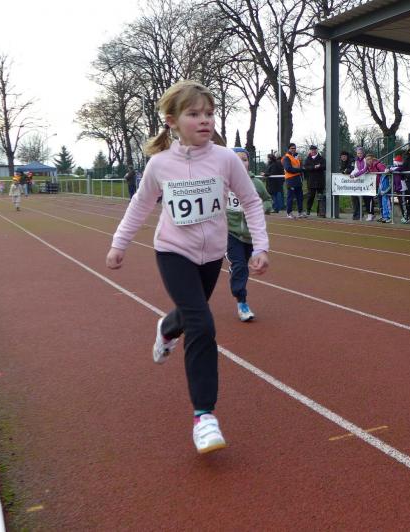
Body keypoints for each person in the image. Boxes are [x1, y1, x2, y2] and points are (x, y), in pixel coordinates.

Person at [106, 80, 270, 454]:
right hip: (173, 252)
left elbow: (250, 201)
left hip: (212, 256)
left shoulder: (226, 159)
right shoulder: (160, 164)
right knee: (202, 324)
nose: (205, 120)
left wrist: (261, 245)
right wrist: (119, 244)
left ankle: (167, 328)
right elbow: (140, 205)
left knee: (190, 314)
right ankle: (204, 417)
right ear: (172, 121)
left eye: (209, 113)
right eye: (194, 114)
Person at [226, 147, 272, 322]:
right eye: (236, 159)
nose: (241, 163)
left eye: (244, 159)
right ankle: (242, 302)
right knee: (240, 266)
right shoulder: (223, 182)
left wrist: (263, 208)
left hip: (251, 236)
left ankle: (235, 270)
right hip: (231, 233)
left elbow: (267, 199)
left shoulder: (256, 184)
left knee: (244, 265)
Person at [350, 146, 375, 220]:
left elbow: (364, 170)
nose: (359, 154)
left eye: (360, 153)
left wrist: (355, 175)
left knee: (368, 198)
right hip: (361, 182)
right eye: (358, 153)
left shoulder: (365, 159)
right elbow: (356, 169)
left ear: (363, 153)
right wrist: (352, 174)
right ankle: (368, 214)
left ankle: (371, 214)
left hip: (368, 181)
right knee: (364, 198)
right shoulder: (356, 160)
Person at [282, 142, 305, 219]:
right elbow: (288, 168)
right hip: (290, 179)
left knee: (300, 197)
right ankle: (289, 212)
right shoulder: (286, 157)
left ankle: (300, 212)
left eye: (294, 148)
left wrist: (301, 168)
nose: (293, 149)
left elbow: (299, 166)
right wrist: (299, 170)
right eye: (292, 148)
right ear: (289, 149)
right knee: (290, 197)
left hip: (298, 179)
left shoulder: (296, 157)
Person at [302, 145, 326, 217]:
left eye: (314, 150)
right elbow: (306, 167)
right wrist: (314, 167)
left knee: (320, 197)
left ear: (316, 150)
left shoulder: (321, 158)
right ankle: (308, 210)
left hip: (320, 181)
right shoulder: (307, 159)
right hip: (311, 181)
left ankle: (320, 212)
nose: (313, 151)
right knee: (310, 197)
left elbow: (325, 166)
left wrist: (319, 166)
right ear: (310, 151)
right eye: (312, 150)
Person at [363, 153, 386, 221]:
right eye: (367, 159)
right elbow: (361, 171)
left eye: (370, 159)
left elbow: (385, 171)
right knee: (366, 196)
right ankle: (371, 214)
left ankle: (384, 215)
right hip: (373, 185)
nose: (369, 161)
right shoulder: (367, 166)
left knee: (381, 199)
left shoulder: (378, 164)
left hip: (381, 185)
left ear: (373, 159)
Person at [378, 159, 393, 223]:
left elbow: (390, 185)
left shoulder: (389, 176)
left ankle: (389, 217)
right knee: (383, 205)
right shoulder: (382, 175)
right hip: (382, 193)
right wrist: (380, 190)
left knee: (388, 205)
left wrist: (385, 191)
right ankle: (385, 216)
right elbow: (380, 183)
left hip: (386, 193)